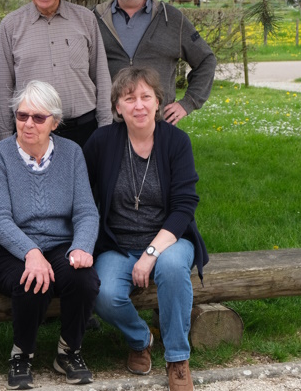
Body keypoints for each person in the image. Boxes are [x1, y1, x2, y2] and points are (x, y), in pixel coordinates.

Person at [82, 67, 208, 391]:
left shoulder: (176, 142)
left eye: (145, 97)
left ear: (157, 102)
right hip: (118, 243)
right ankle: (141, 339)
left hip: (169, 239)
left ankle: (178, 360)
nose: (138, 105)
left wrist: (150, 254)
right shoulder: (102, 142)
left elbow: (184, 207)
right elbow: (82, 195)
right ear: (118, 107)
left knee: (172, 268)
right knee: (104, 292)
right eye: (129, 98)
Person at [0, 80, 100, 389]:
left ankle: (69, 351)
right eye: (22, 115)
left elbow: (86, 211)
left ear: (55, 123)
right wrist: (31, 254)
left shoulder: (72, 154)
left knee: (83, 278)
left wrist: (81, 246)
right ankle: (22, 354)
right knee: (33, 281)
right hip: (2, 246)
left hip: (58, 242)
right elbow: (0, 218)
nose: (28, 123)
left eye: (38, 118)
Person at [0, 0, 112, 147]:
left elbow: (101, 77)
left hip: (84, 133)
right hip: (32, 133)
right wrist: (5, 138)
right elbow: (0, 88)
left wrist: (105, 128)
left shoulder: (86, 20)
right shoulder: (11, 26)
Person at [92, 0, 216, 126]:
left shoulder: (171, 18)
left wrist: (188, 102)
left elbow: (206, 60)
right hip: (107, 128)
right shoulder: (92, 19)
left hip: (158, 128)